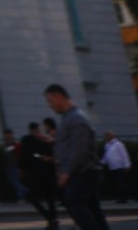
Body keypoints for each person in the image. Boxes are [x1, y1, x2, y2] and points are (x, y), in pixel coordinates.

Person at [45, 84, 108, 230]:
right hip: (82, 170)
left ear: (58, 97)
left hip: (82, 171)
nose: (50, 105)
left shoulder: (76, 118)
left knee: (75, 200)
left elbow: (80, 148)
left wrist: (66, 171)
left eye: (50, 101)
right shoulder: (70, 118)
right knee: (92, 208)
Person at [21, 121, 62, 230]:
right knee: (50, 198)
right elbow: (52, 154)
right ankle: (53, 219)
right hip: (49, 173)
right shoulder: (45, 140)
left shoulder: (27, 140)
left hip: (35, 174)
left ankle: (50, 218)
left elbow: (25, 156)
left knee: (33, 197)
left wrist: (22, 169)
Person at [101, 133, 131, 203]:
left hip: (119, 166)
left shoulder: (118, 144)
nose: (106, 137)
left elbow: (124, 154)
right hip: (112, 167)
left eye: (108, 135)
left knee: (120, 183)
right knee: (118, 183)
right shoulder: (107, 145)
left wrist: (127, 164)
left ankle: (123, 198)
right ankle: (133, 193)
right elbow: (106, 155)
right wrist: (101, 163)